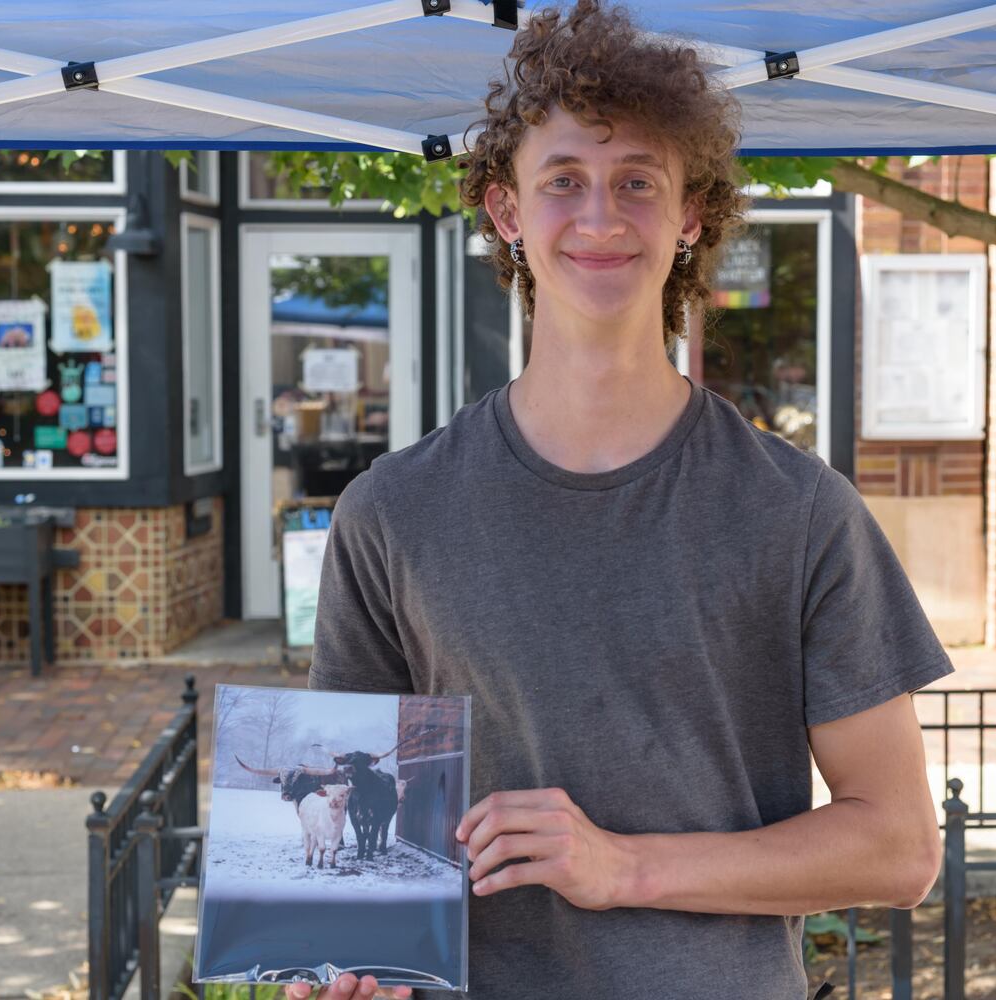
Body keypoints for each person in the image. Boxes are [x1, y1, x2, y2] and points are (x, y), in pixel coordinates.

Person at [291, 2, 953, 998]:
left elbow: (898, 847)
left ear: (691, 215)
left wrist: (628, 865)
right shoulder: (392, 511)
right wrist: (345, 970)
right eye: (562, 181)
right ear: (505, 211)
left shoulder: (798, 511)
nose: (599, 217)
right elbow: (357, 817)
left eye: (636, 182)